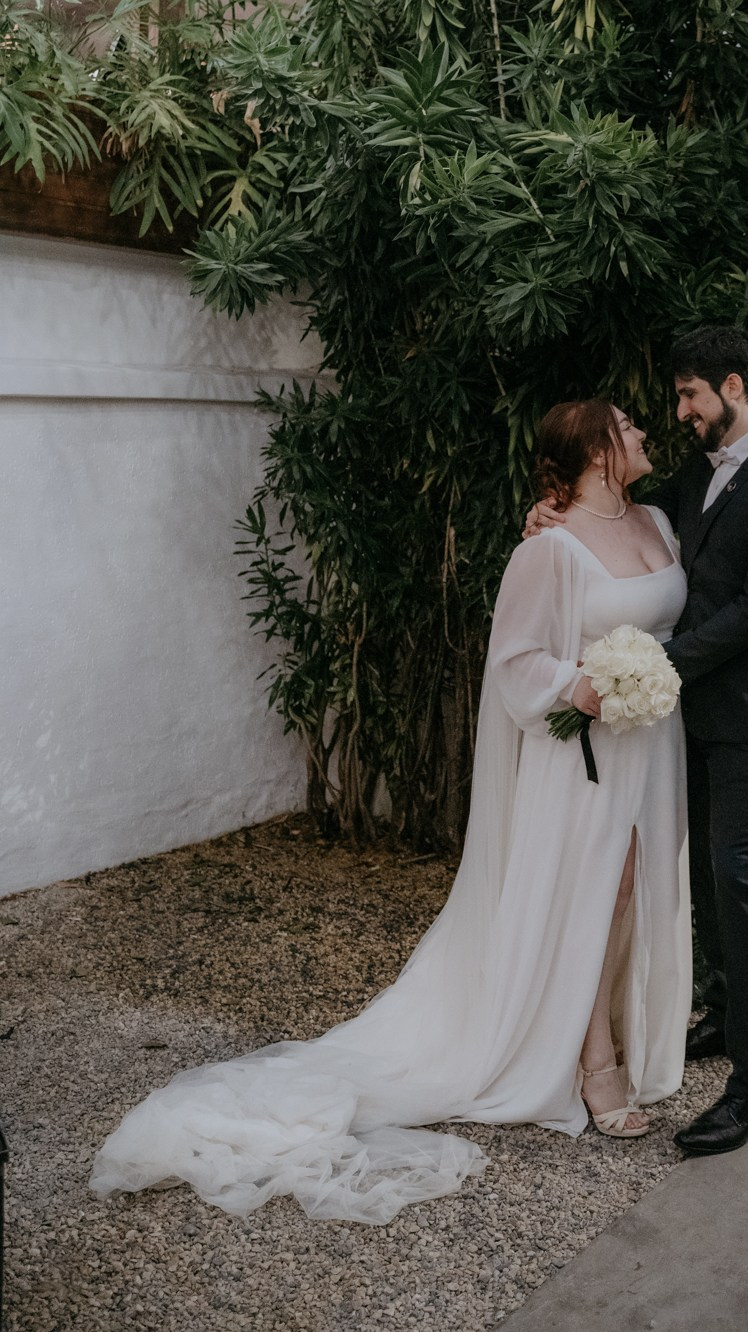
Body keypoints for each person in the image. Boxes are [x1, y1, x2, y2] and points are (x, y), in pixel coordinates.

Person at [90, 400, 691, 1225]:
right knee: (594, 893)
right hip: (584, 752)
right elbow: (513, 660)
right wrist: (578, 686)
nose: (644, 432)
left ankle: (616, 1026)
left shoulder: (659, 519)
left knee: (634, 890)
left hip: (653, 744)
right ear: (593, 450)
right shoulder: (548, 549)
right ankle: (593, 1062)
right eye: (626, 427)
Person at [528, 327, 748, 1156]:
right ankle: (723, 1016)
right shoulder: (699, 472)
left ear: (731, 386)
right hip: (685, 713)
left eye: (690, 395)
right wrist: (553, 511)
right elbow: (620, 515)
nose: (681, 412)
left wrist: (652, 664)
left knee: (739, 878)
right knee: (699, 875)